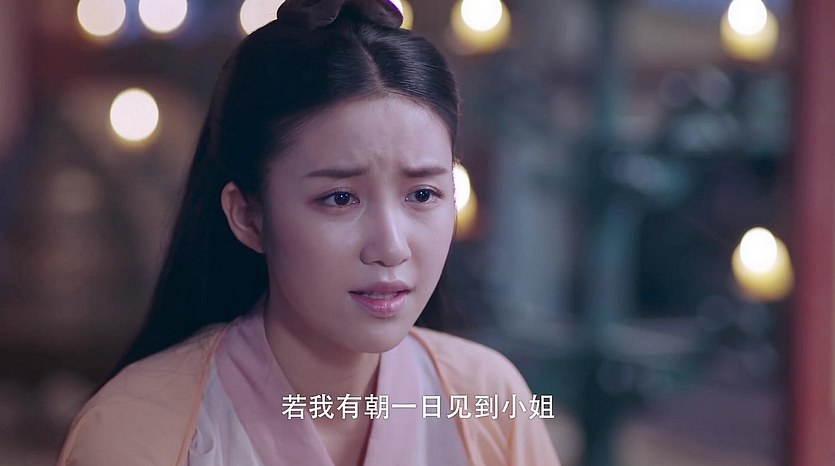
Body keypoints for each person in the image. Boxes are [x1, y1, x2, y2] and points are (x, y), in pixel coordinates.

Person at [58, 0, 560, 464]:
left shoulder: (488, 399)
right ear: (248, 215)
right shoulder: (136, 429)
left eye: (423, 194)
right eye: (340, 198)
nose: (390, 247)